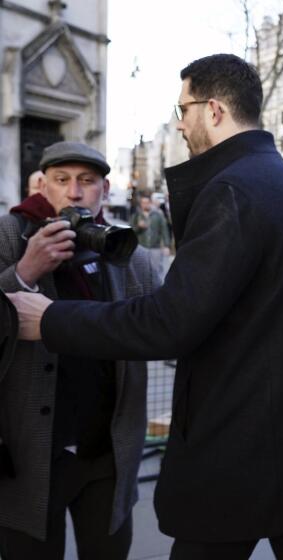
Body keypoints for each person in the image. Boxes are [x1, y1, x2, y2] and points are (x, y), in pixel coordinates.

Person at [9, 53, 283, 560]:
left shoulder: (232, 189)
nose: (179, 123)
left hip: (241, 445)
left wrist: (50, 319)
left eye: (183, 109)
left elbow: (168, 322)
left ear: (215, 109)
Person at [0, 141, 158, 559]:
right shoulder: (8, 236)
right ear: (43, 185)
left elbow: (164, 328)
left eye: (86, 182)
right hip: (27, 456)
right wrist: (24, 272)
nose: (74, 193)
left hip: (105, 456)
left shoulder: (130, 257)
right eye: (62, 180)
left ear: (104, 191)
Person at [131, 194, 171, 280]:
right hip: (140, 248)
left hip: (155, 248)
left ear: (150, 203)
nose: (145, 204)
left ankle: (157, 291)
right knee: (140, 271)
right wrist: (138, 226)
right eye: (143, 203)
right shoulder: (136, 216)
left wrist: (166, 246)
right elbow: (130, 232)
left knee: (156, 271)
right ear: (141, 204)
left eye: (147, 202)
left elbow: (164, 230)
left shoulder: (158, 215)